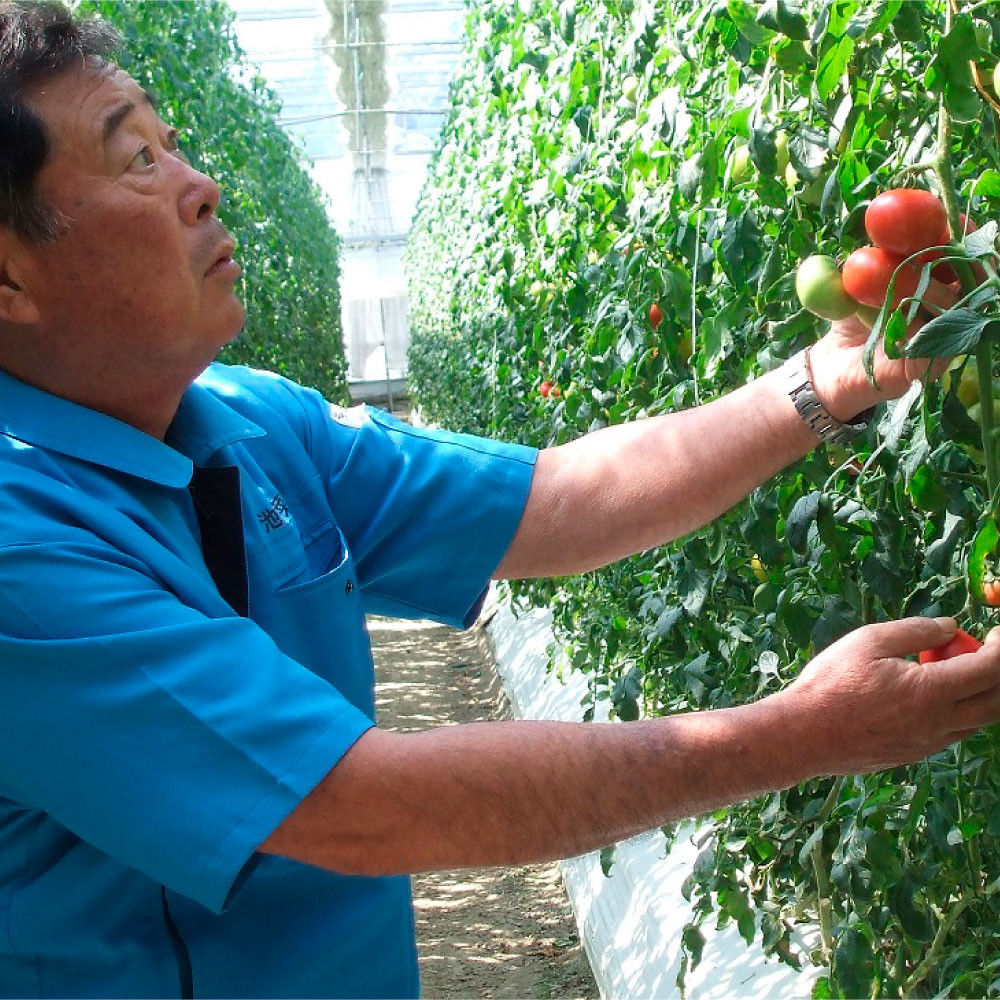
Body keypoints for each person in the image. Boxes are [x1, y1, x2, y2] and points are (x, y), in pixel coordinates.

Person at [0, 2, 997, 997]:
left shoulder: (250, 423)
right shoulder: (19, 545)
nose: (200, 185)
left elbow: (561, 498)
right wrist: (806, 734)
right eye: (138, 160)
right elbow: (364, 804)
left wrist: (826, 380)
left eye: (174, 144)